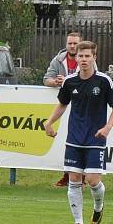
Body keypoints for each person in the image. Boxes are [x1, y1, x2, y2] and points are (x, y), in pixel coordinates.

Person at [42, 41, 113, 224]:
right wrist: (49, 122)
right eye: (80, 56)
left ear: (95, 57)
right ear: (76, 57)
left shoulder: (103, 81)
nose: (84, 59)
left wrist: (107, 127)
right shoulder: (70, 81)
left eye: (87, 56)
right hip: (74, 138)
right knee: (74, 178)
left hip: (95, 138)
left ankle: (98, 207)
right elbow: (62, 104)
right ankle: (78, 223)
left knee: (93, 180)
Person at [43, 31, 83, 187]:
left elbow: (92, 77)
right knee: (67, 143)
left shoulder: (87, 59)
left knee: (81, 143)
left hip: (82, 106)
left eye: (75, 43)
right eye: (70, 43)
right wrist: (55, 82)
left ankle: (83, 176)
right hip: (64, 104)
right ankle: (68, 175)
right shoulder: (58, 60)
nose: (72, 46)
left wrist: (68, 81)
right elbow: (46, 79)